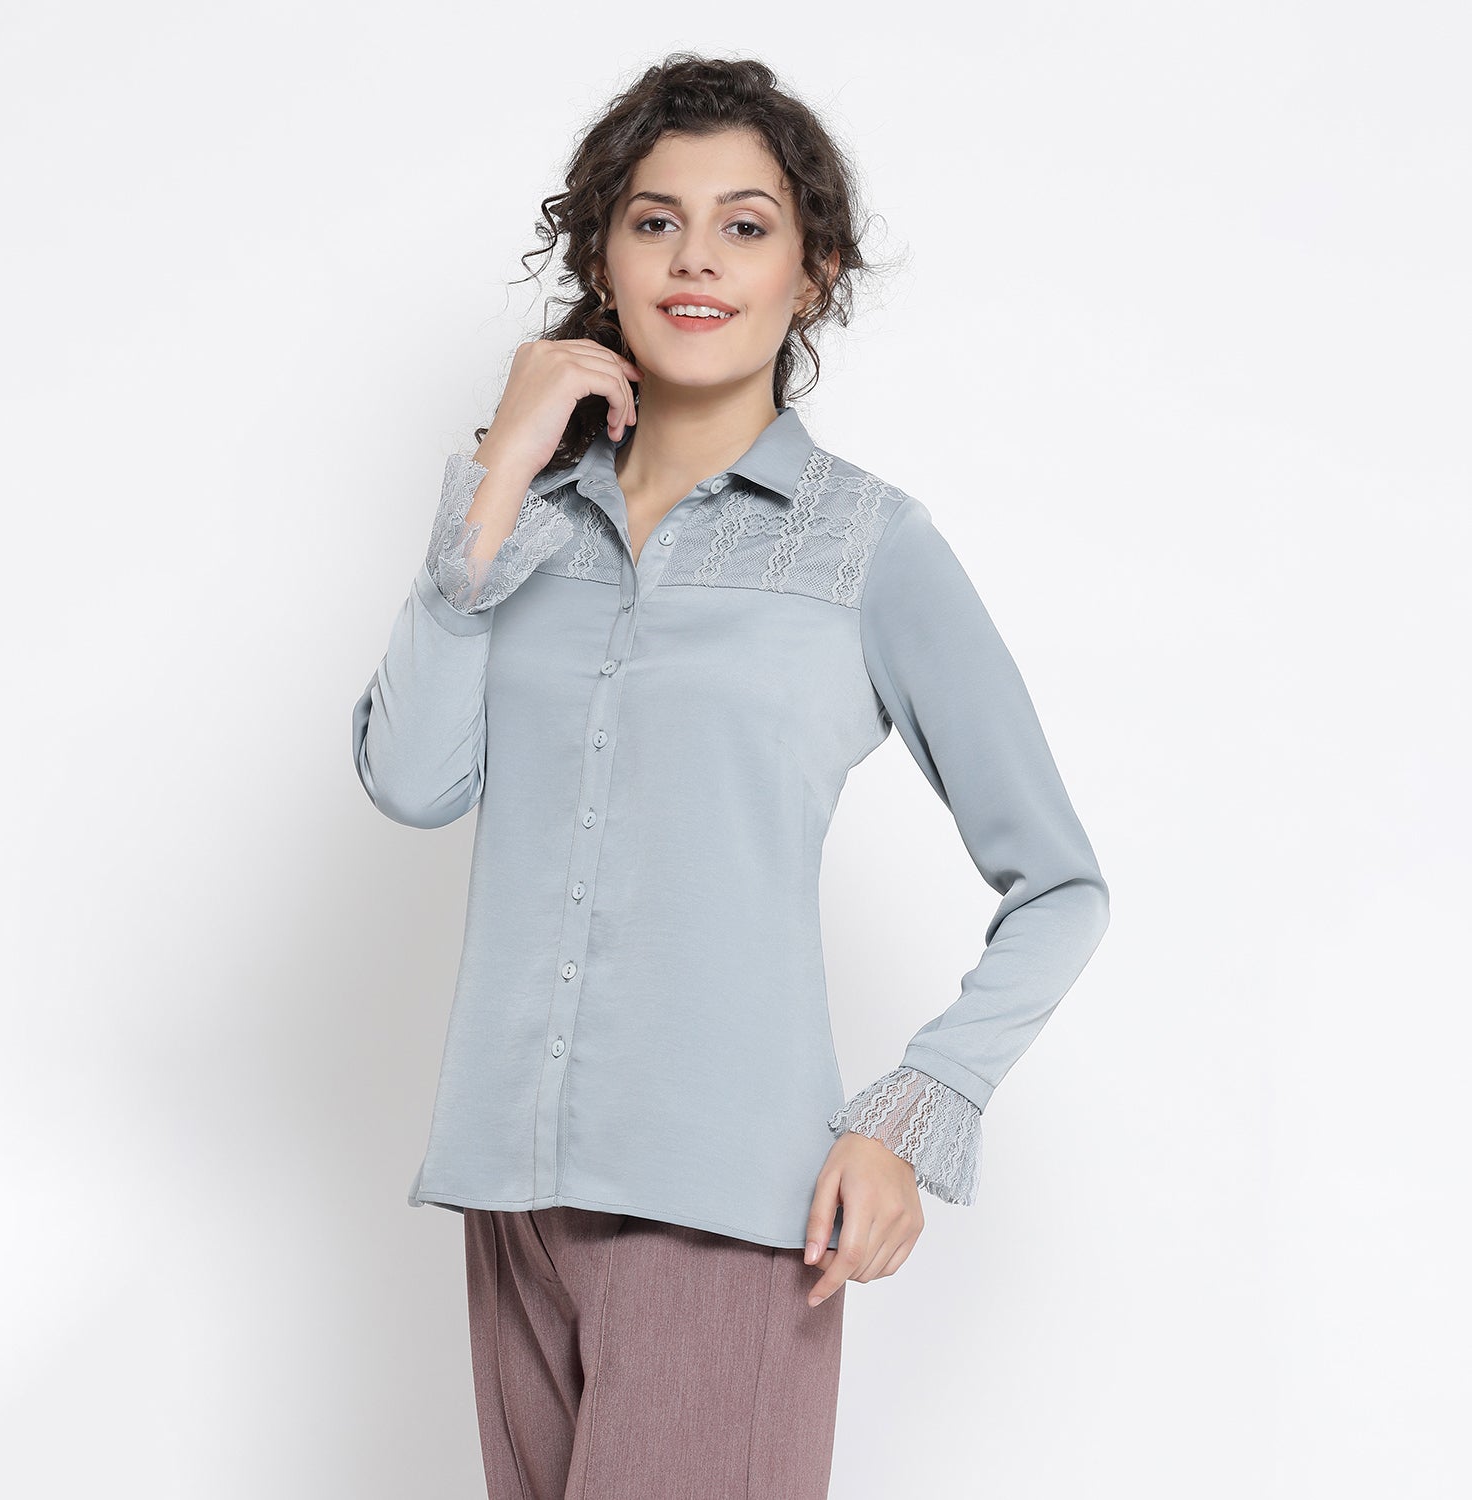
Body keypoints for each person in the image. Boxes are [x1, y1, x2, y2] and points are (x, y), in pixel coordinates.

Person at [351, 53, 1110, 1500]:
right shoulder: (520, 530)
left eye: (745, 225)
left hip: (726, 1209)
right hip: (509, 1190)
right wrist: (495, 476)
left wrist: (911, 1116)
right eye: (656, 221)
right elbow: (410, 777)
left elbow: (1061, 885)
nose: (696, 258)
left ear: (810, 273)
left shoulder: (871, 547)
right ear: (602, 261)